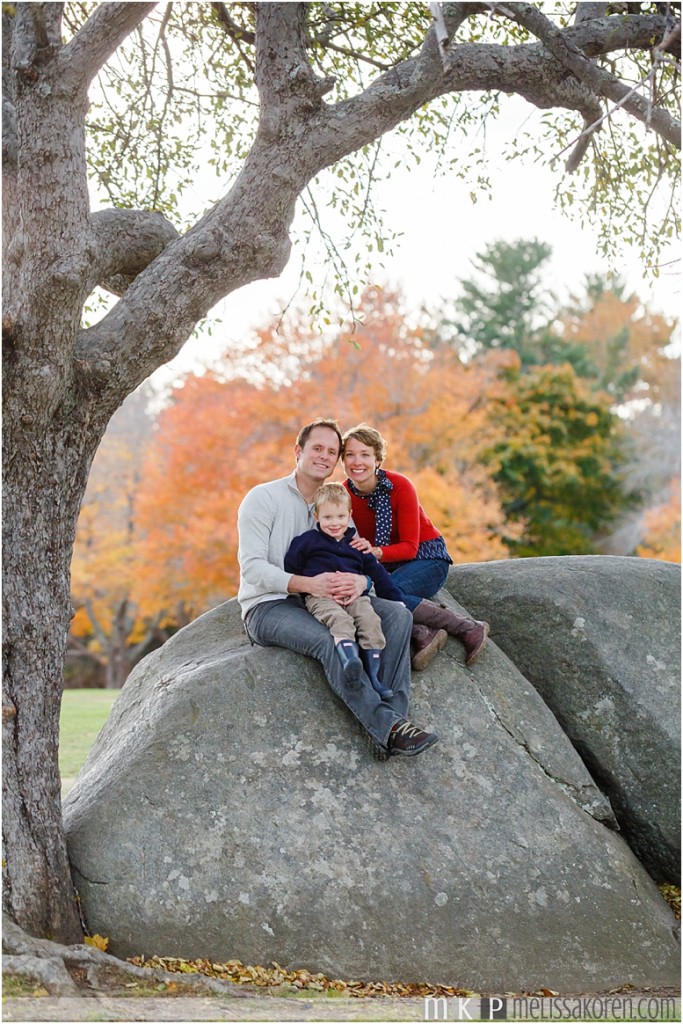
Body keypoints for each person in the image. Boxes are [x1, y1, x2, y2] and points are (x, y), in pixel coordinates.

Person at [237, 418, 438, 759]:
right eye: (317, 448)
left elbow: (360, 557)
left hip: (331, 598)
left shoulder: (338, 503)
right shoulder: (263, 498)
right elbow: (252, 568)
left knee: (397, 615)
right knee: (329, 640)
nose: (325, 456)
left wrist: (363, 581)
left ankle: (395, 719)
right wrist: (308, 584)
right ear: (298, 451)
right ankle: (389, 728)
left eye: (332, 451)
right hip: (271, 605)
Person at [342, 423, 489, 671]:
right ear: (342, 460)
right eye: (350, 455)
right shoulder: (342, 495)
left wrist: (375, 553)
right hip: (385, 565)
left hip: (426, 557)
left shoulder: (400, 486)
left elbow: (410, 548)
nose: (358, 461)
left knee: (383, 591)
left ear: (378, 459)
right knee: (360, 595)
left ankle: (466, 626)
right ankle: (422, 631)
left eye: (365, 454)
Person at [284, 481, 406, 700]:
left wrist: (396, 600)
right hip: (321, 597)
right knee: (341, 621)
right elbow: (291, 569)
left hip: (356, 597)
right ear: (316, 517)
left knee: (370, 621)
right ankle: (350, 662)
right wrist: (304, 588)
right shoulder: (306, 542)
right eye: (328, 517)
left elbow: (378, 574)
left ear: (349, 515)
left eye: (340, 517)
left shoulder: (357, 546)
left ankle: (374, 677)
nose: (334, 523)